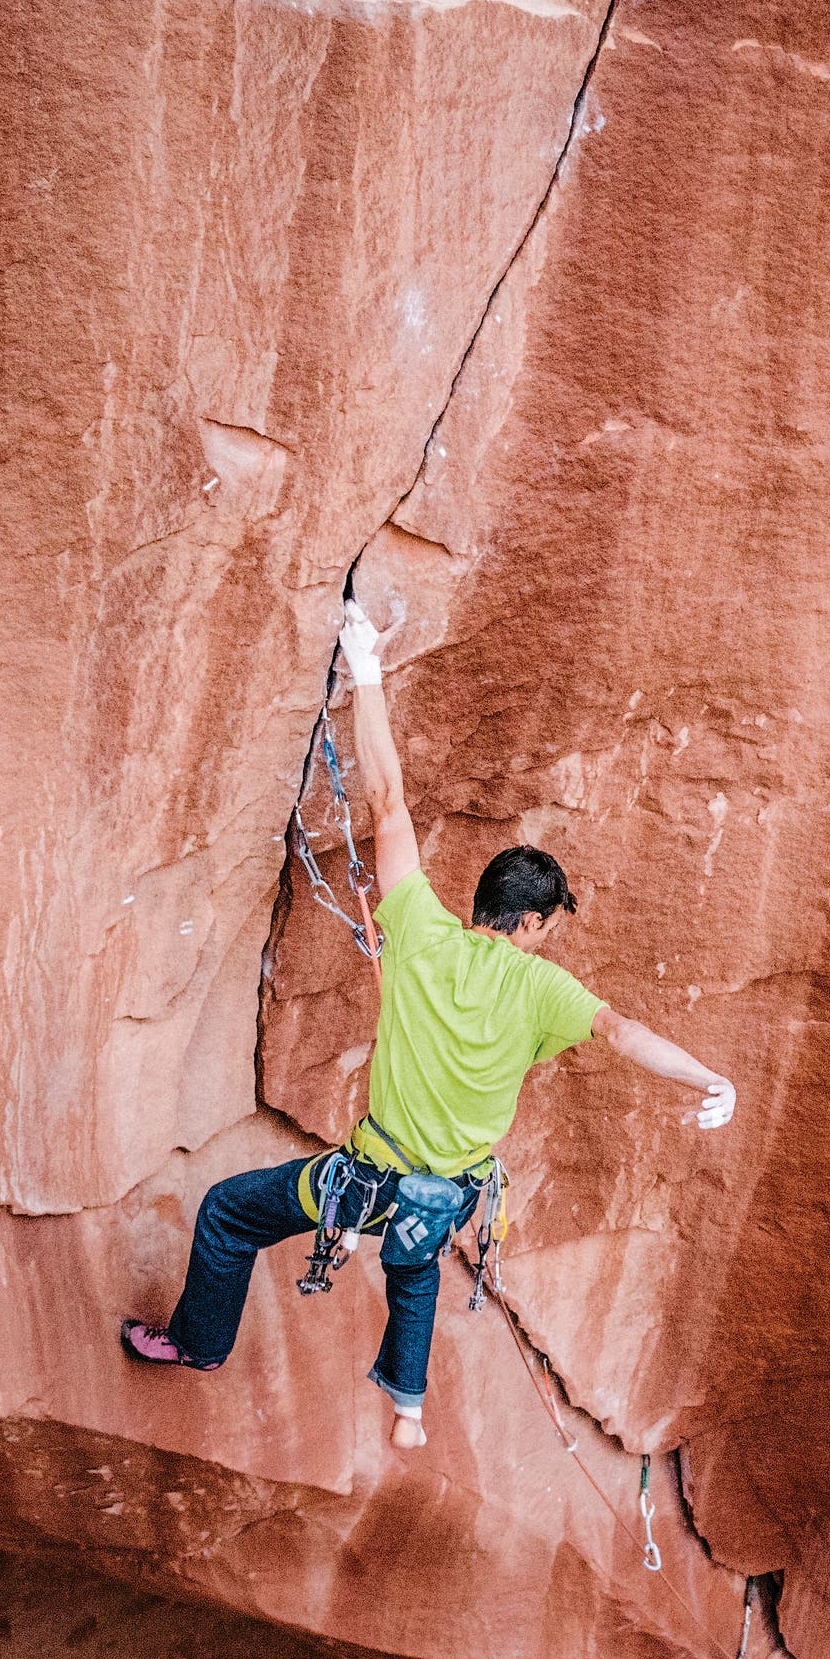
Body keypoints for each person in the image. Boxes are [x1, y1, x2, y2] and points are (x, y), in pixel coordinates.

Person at [122, 592, 733, 1450]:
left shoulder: (416, 925)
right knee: (415, 1259)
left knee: (229, 1214)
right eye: (550, 925)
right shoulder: (542, 991)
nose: (548, 938)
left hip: (365, 1178)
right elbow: (625, 1032)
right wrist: (709, 1076)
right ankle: (406, 1401)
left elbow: (387, 800)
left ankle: (200, 1343)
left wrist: (364, 667)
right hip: (438, 1198)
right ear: (527, 925)